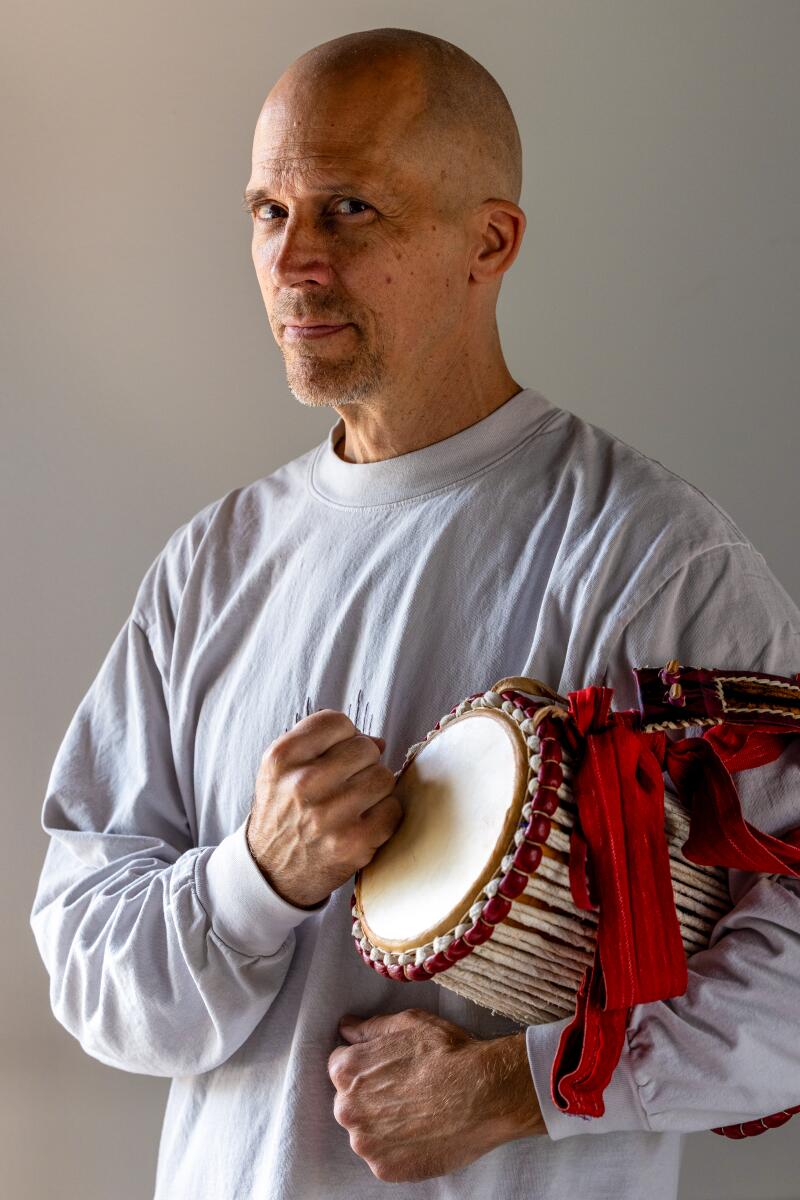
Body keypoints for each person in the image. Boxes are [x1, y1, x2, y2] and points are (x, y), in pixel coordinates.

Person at [30, 26, 800, 1200]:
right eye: (266, 210)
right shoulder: (212, 565)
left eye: (347, 209)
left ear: (488, 241)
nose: (293, 261)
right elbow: (83, 962)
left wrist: (520, 1088)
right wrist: (255, 877)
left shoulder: (650, 558)